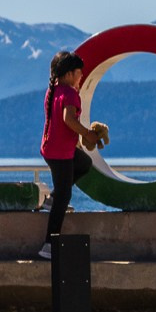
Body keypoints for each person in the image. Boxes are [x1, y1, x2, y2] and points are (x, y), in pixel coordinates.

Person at [36, 51, 110, 261]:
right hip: (60, 154)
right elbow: (68, 119)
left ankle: (52, 199)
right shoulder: (69, 93)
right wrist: (87, 133)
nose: (81, 77)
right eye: (79, 73)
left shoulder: (55, 90)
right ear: (69, 74)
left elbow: (59, 122)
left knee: (84, 163)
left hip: (52, 149)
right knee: (64, 196)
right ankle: (49, 244)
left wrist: (77, 140)